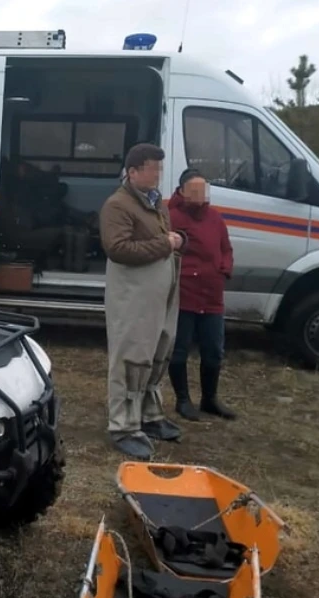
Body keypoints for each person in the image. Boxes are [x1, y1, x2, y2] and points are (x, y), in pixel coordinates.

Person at [99, 143, 186, 460]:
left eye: (159, 168)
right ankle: (122, 425)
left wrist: (176, 241)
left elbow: (162, 238)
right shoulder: (117, 205)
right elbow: (118, 248)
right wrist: (165, 244)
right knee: (131, 355)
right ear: (133, 172)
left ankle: (149, 416)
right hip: (133, 294)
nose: (158, 174)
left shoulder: (155, 203)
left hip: (159, 292)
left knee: (158, 349)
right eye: (152, 168)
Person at [167, 169, 238, 422]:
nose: (199, 195)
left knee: (214, 350)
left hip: (212, 296)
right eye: (193, 189)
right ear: (182, 191)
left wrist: (224, 270)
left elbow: (226, 249)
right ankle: (183, 400)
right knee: (179, 349)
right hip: (185, 294)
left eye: (203, 189)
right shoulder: (171, 216)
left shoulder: (215, 218)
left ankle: (210, 399)